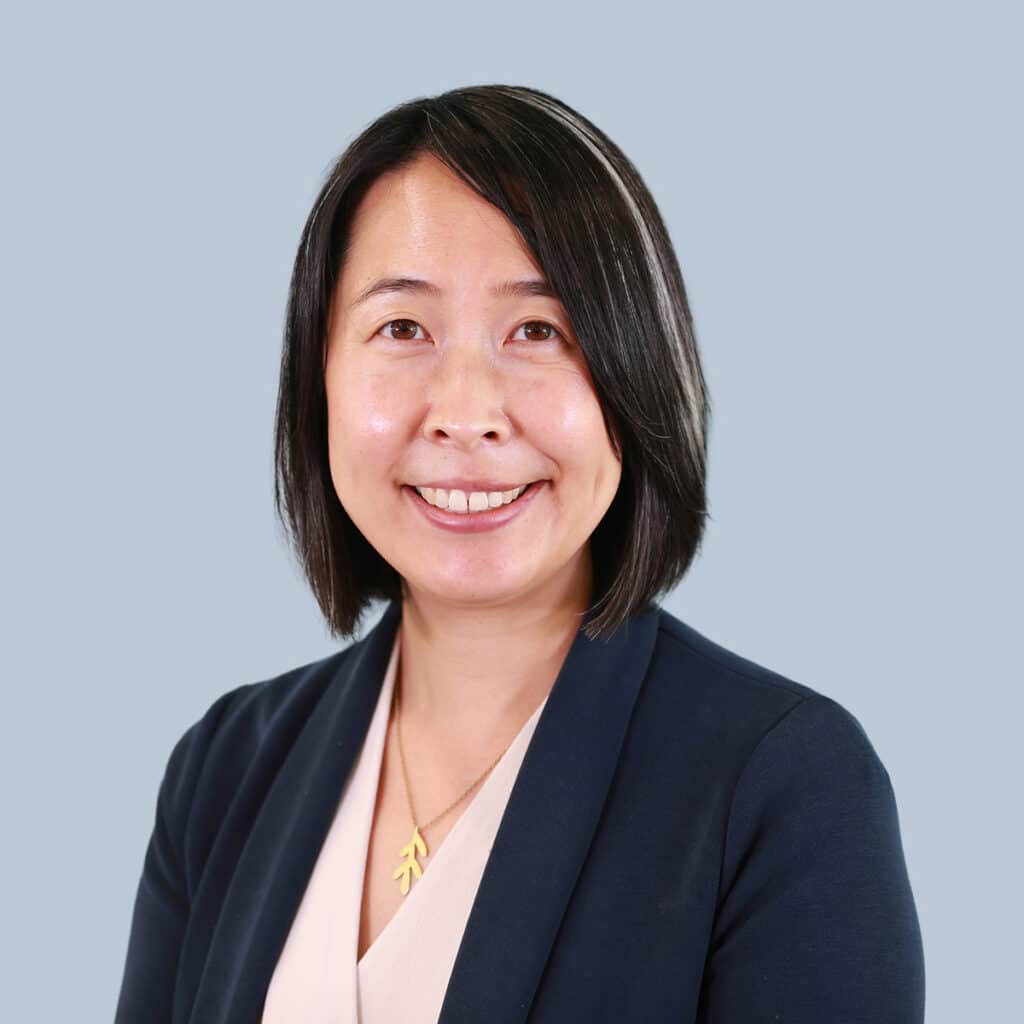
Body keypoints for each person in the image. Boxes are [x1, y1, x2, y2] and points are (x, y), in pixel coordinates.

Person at [114, 84, 926, 1023]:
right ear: (320, 376)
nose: (466, 415)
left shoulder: (785, 787)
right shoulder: (223, 772)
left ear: (634, 377)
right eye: (403, 329)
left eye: (538, 331)